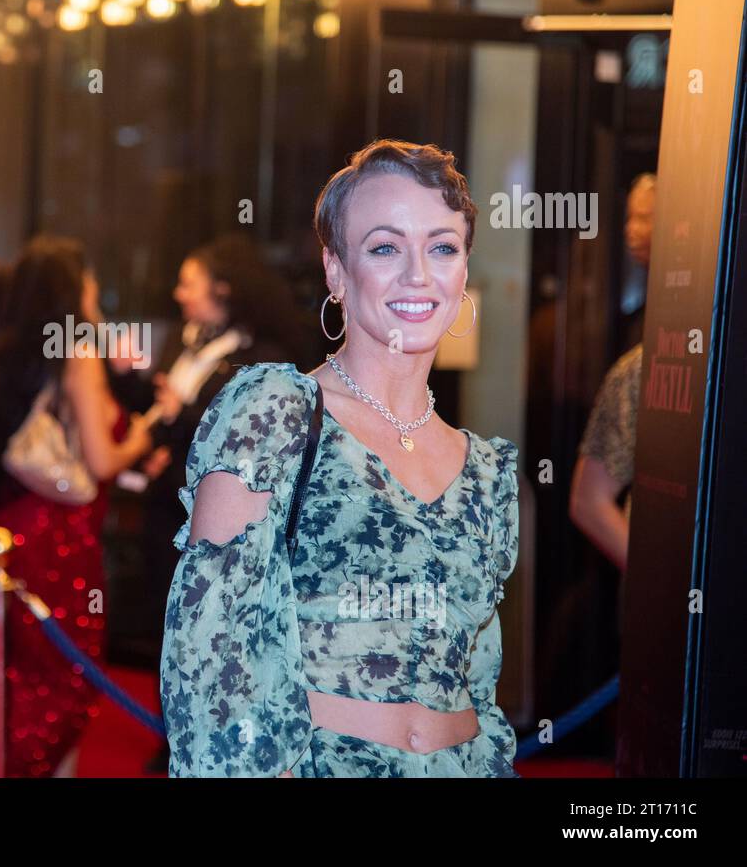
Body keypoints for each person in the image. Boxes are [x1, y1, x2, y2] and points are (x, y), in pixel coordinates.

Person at [161, 139, 521, 777]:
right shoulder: (275, 411)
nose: (418, 274)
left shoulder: (487, 472)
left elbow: (480, 679)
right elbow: (211, 655)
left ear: (464, 269)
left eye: (443, 247)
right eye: (385, 247)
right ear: (335, 269)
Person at [0, 237, 153, 777]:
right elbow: (102, 462)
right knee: (66, 673)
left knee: (12, 668)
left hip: (8, 524)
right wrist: (144, 438)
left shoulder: (7, 351)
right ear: (73, 288)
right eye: (90, 278)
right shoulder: (77, 351)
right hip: (59, 531)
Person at [109, 234, 310, 772]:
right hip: (166, 509)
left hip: (227, 519)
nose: (178, 294)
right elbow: (157, 413)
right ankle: (173, 733)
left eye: (188, 283)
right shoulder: (183, 340)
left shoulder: (259, 357)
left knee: (223, 629)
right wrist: (127, 380)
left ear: (222, 288)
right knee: (168, 622)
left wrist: (180, 414)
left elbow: (244, 440)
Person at [569, 173, 655, 572]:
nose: (632, 231)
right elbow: (589, 499)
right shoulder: (639, 362)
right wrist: (655, 580)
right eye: (631, 217)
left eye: (645, 217)